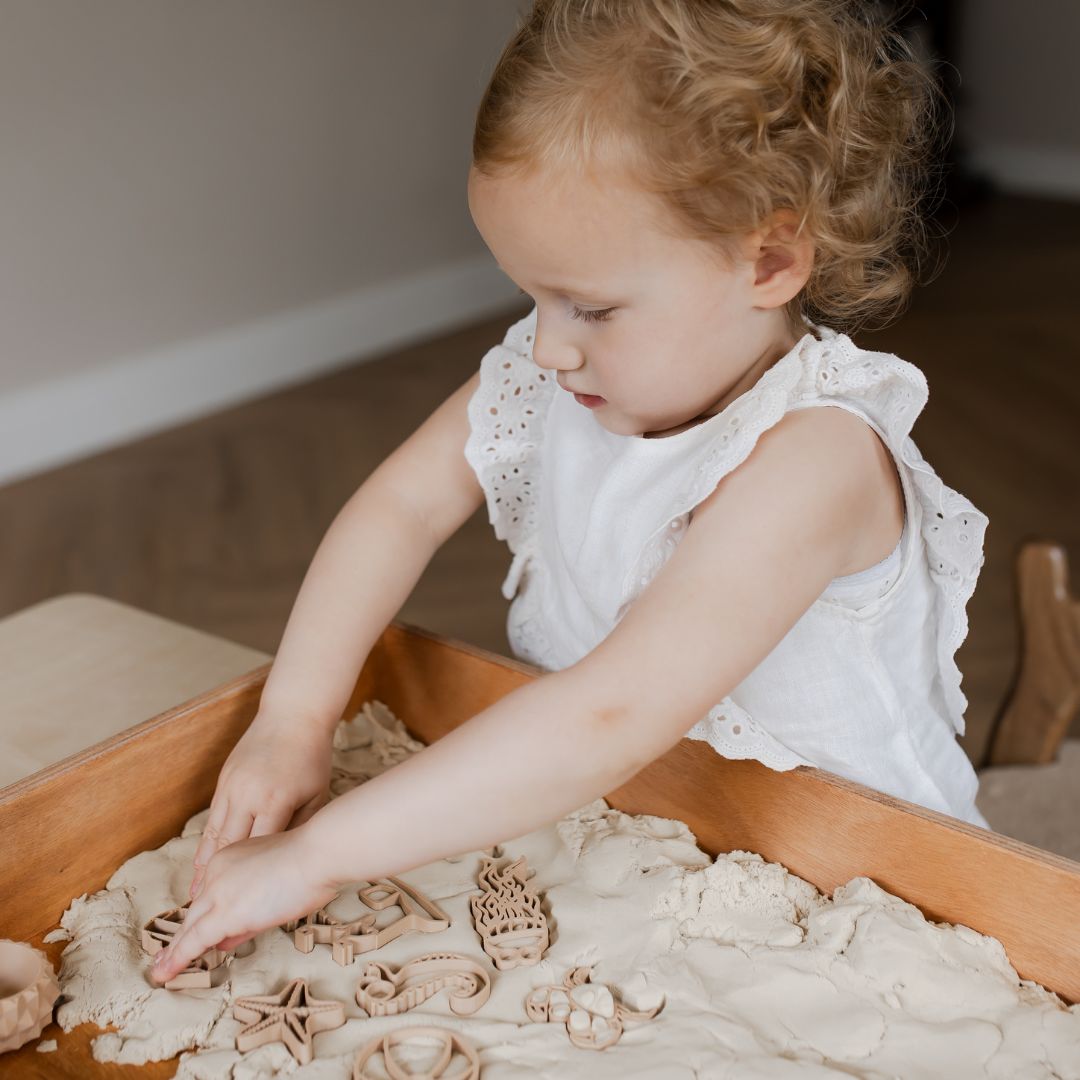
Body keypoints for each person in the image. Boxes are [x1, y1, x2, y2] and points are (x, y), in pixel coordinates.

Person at [152, 0, 988, 984]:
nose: (548, 346)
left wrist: (316, 853)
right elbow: (402, 507)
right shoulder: (565, 369)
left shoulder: (817, 458)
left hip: (870, 873)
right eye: (531, 295)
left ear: (769, 259)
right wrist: (295, 716)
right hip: (654, 810)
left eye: (590, 305)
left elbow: (612, 712)